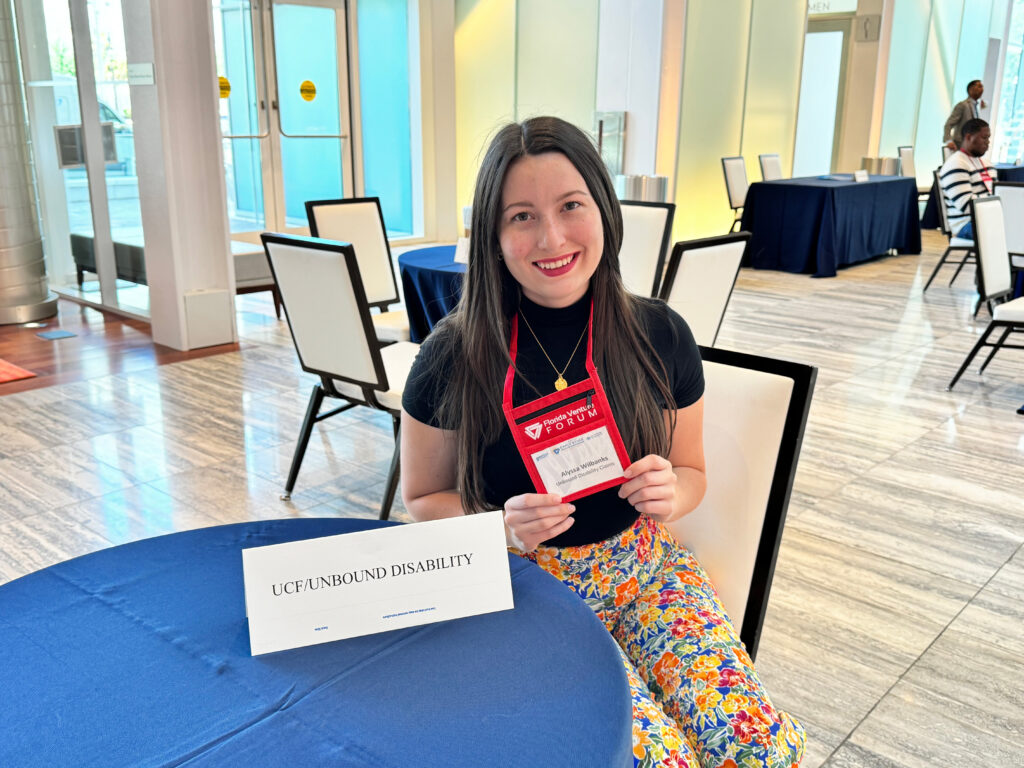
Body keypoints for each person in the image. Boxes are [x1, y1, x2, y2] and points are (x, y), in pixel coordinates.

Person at [400, 116, 805, 767]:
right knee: (652, 759)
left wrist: (671, 494)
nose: (552, 237)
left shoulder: (660, 334)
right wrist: (497, 525)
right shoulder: (453, 354)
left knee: (751, 748)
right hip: (524, 588)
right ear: (493, 237)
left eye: (570, 206)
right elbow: (421, 499)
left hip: (644, 570)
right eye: (521, 217)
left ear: (604, 210)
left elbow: (692, 471)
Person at [939, 118, 994, 239]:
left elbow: (997, 193)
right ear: (968, 137)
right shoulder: (955, 164)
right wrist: (997, 203)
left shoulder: (987, 163)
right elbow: (967, 205)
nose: (988, 142)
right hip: (966, 224)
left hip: (988, 218)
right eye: (984, 138)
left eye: (988, 138)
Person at [944, 80, 986, 150]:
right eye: (979, 86)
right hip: (960, 146)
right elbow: (949, 124)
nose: (982, 89)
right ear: (970, 89)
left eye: (982, 87)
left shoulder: (976, 106)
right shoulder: (962, 105)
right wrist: (949, 140)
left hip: (971, 147)